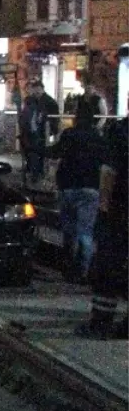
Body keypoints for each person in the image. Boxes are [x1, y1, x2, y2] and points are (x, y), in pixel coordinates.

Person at [79, 99, 129, 338]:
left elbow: (108, 173)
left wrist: (104, 207)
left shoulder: (120, 132)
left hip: (121, 211)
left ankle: (100, 323)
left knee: (108, 265)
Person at [46, 101, 106, 283]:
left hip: (68, 186)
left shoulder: (69, 134)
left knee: (69, 230)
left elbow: (55, 152)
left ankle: (69, 266)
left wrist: (35, 149)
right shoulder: (98, 137)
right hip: (90, 188)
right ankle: (84, 270)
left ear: (77, 118)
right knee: (86, 232)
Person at [18, 79, 59, 185]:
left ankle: (35, 174)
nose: (35, 92)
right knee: (32, 153)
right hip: (33, 132)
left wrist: (50, 131)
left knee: (36, 153)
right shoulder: (32, 101)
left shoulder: (48, 102)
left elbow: (53, 120)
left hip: (40, 133)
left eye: (37, 89)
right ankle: (34, 172)